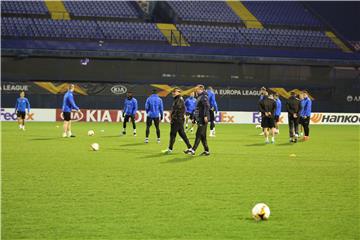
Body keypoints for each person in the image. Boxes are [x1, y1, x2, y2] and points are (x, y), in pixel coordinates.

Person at [162, 88, 192, 154]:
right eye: (172, 92)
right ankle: (190, 148)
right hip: (180, 120)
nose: (173, 93)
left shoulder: (178, 100)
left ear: (179, 92)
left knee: (172, 134)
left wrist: (173, 118)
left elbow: (177, 110)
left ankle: (170, 149)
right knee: (182, 134)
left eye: (174, 92)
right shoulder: (178, 99)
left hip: (177, 120)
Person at [185, 85, 210, 156]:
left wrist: (205, 116)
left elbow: (206, 106)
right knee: (203, 136)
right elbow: (197, 109)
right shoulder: (199, 97)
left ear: (201, 89)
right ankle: (207, 151)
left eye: (197, 90)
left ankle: (193, 150)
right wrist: (195, 118)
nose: (196, 91)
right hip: (200, 118)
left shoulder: (204, 97)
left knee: (198, 134)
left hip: (203, 118)